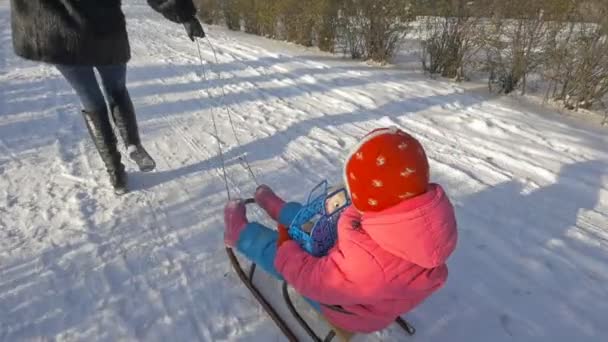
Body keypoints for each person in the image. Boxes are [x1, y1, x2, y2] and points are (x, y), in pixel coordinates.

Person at [223, 127, 458, 339]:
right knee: (317, 220)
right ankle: (282, 210)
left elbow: (311, 279)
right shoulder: (424, 219)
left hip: (346, 308)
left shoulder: (366, 264)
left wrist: (286, 246)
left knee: (284, 255)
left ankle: (241, 234)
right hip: (368, 284)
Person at [10, 0, 206, 194]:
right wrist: (184, 15)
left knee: (90, 99)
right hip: (103, 26)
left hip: (54, 33)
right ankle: (131, 142)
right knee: (116, 89)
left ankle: (116, 174)